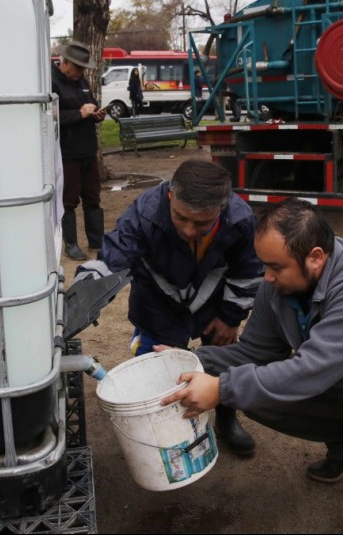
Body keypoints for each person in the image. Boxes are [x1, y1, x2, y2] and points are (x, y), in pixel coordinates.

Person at [160, 198, 343, 533]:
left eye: (276, 267)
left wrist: (221, 388)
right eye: (263, 265)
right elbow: (254, 355)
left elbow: (312, 369)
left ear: (316, 257)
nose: (267, 277)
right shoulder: (277, 289)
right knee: (254, 393)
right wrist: (189, 360)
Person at [78, 160, 265, 457]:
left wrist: (231, 318)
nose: (189, 230)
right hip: (157, 305)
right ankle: (166, 435)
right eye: (181, 218)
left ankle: (226, 419)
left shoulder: (240, 219)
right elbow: (114, 256)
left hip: (214, 306)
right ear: (170, 197)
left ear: (222, 206)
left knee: (222, 362)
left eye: (202, 223)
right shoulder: (144, 213)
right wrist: (82, 296)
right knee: (160, 369)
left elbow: (248, 270)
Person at [52, 41, 106, 261]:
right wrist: (79, 114)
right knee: (69, 201)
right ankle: (71, 244)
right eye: (79, 68)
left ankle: (97, 241)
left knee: (93, 198)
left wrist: (97, 114)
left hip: (88, 151)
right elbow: (51, 117)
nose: (82, 72)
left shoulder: (81, 81)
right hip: (67, 153)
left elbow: (90, 104)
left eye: (84, 69)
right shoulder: (51, 82)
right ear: (65, 63)